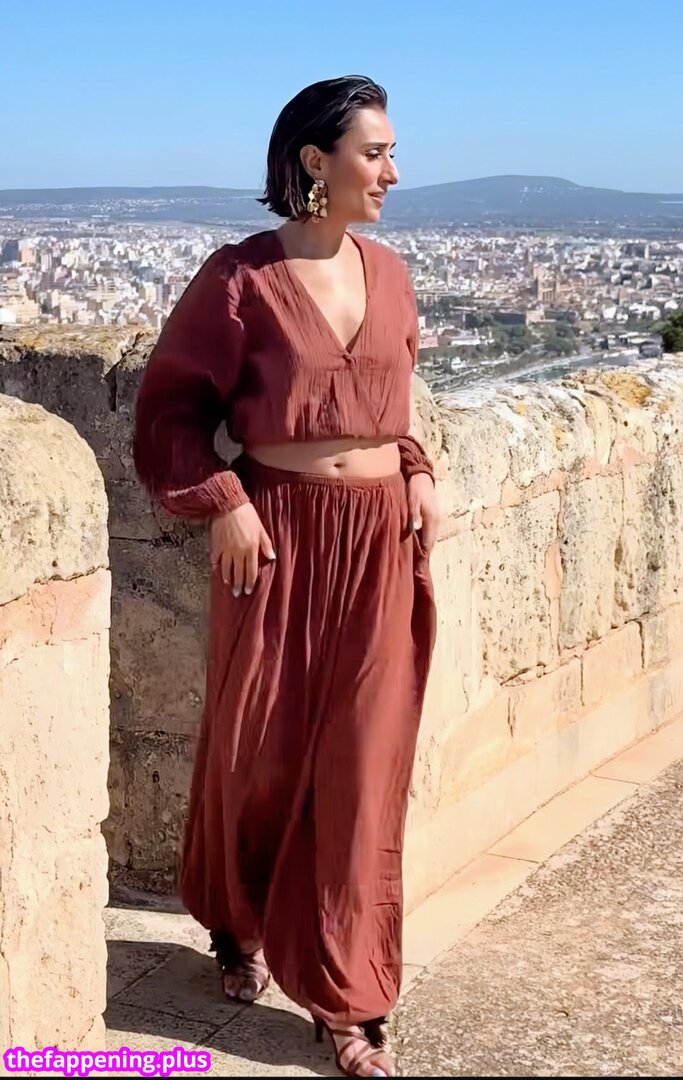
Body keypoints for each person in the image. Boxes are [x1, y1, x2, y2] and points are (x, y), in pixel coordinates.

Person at [133, 75, 439, 1079]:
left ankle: (347, 998)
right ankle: (239, 923)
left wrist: (414, 471)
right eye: (374, 154)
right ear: (316, 161)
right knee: (256, 753)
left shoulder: (390, 273)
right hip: (277, 538)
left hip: (378, 543)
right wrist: (222, 500)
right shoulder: (240, 279)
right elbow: (170, 412)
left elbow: (391, 408)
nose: (392, 172)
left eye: (389, 153)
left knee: (362, 763)